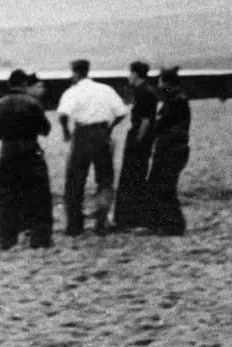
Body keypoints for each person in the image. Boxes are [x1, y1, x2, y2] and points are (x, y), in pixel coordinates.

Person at [56, 58, 129, 236]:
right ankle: (101, 222)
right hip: (102, 134)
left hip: (82, 134)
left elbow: (63, 114)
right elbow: (121, 112)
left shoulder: (73, 91)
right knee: (104, 179)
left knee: (75, 180)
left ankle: (74, 225)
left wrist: (66, 131)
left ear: (75, 72)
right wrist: (110, 127)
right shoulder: (105, 89)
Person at [0, 69, 54, 250]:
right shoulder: (33, 103)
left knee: (7, 197)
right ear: (25, 84)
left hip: (7, 154)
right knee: (38, 196)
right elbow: (46, 130)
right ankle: (40, 239)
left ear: (9, 85)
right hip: (31, 152)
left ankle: (7, 238)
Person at [112, 60, 160, 231]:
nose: (128, 76)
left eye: (130, 73)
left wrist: (138, 139)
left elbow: (146, 120)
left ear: (135, 74)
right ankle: (133, 218)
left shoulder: (144, 93)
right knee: (135, 175)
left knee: (132, 176)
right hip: (142, 138)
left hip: (139, 138)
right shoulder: (146, 91)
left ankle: (130, 218)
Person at [147, 66, 192, 236]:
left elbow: (161, 125)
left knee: (163, 187)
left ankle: (172, 225)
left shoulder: (174, 101)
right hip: (175, 149)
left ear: (166, 83)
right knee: (165, 187)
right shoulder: (178, 99)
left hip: (170, 150)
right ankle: (169, 224)